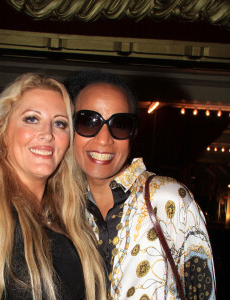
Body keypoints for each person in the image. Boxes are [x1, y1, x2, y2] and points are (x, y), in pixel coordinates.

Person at [0, 73, 107, 300]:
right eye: (32, 119)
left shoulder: (70, 218)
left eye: (60, 123)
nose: (47, 134)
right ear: (2, 132)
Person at [65, 70, 216, 300]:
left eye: (120, 124)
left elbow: (202, 292)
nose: (104, 139)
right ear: (69, 127)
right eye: (88, 121)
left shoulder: (170, 199)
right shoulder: (56, 208)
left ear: (132, 134)